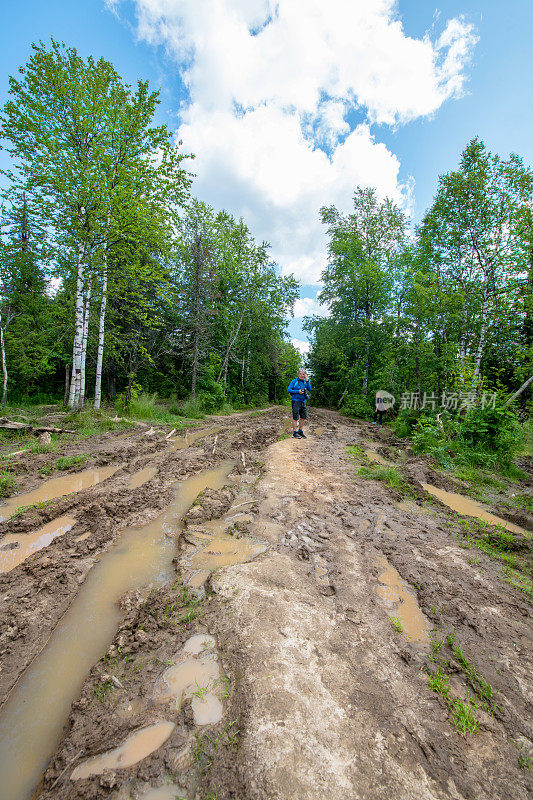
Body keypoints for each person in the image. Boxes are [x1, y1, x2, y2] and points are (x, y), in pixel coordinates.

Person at [287, 369, 312, 438]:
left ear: (305, 375)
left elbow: (310, 389)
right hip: (295, 401)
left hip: (303, 402)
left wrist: (307, 380)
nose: (302, 375)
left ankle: (300, 431)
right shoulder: (294, 381)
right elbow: (288, 390)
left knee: (303, 417)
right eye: (300, 374)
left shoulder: (305, 382)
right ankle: (294, 432)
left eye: (303, 374)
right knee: (295, 417)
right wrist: (298, 391)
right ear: (298, 375)